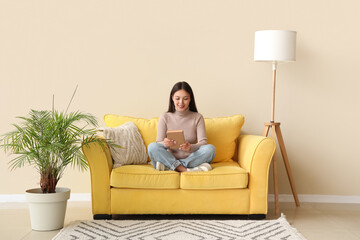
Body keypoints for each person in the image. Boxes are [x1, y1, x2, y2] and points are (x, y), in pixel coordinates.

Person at [148, 81, 216, 172]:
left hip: (190, 158)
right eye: (177, 98)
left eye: (185, 98)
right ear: (172, 98)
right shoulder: (165, 117)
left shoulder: (197, 117)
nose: (181, 102)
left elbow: (203, 142)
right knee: (152, 147)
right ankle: (185, 169)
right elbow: (158, 143)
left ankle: (171, 167)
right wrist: (165, 144)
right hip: (169, 157)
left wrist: (190, 147)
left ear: (190, 99)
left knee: (210, 149)